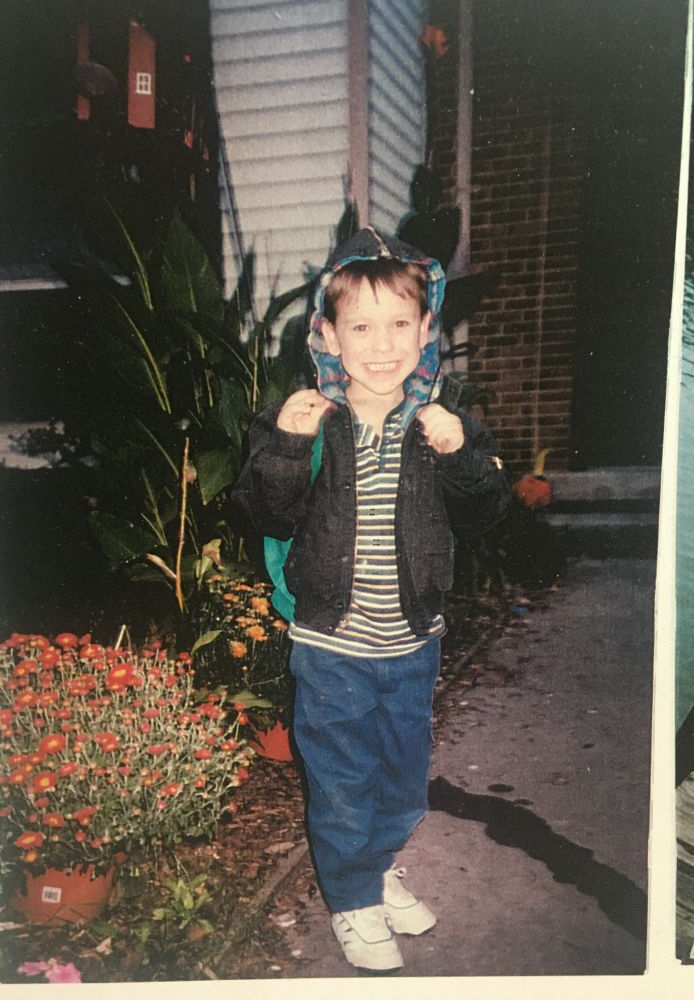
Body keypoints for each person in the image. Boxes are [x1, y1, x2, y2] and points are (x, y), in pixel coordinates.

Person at [232, 227, 510, 972]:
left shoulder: (440, 421)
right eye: (361, 326)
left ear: (426, 331)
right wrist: (287, 450)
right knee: (343, 780)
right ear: (328, 334)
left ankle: (376, 868)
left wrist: (463, 456)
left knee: (400, 774)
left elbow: (488, 516)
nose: (381, 344)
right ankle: (352, 901)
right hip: (332, 648)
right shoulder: (307, 418)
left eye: (399, 325)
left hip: (414, 641)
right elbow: (263, 513)